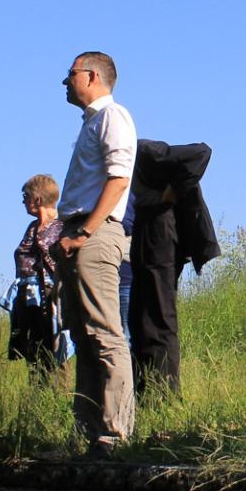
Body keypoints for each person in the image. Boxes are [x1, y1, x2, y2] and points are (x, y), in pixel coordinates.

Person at [53, 51, 137, 456]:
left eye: (70, 75)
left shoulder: (112, 116)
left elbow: (119, 179)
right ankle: (89, 433)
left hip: (95, 232)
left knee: (104, 333)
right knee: (82, 335)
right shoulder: (92, 122)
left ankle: (115, 433)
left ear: (91, 76)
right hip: (78, 233)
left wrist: (85, 232)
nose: (64, 82)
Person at [130, 139, 221, 397]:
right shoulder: (125, 158)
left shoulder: (142, 150)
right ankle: (146, 391)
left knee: (158, 315)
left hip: (159, 227)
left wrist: (173, 190)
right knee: (140, 316)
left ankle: (163, 395)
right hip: (146, 224)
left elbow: (201, 152)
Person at [10, 174, 68, 371]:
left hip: (51, 296)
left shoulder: (61, 227)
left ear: (38, 199)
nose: (23, 201)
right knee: (33, 350)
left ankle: (58, 396)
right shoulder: (33, 227)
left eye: (26, 196)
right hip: (28, 297)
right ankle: (39, 394)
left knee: (55, 351)